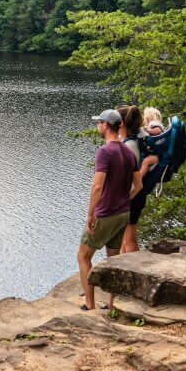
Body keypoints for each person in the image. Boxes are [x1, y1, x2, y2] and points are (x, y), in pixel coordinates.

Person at [77, 108, 137, 311]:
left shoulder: (105, 152)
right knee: (113, 259)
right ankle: (111, 304)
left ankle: (89, 304)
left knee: (83, 256)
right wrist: (123, 200)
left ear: (105, 125)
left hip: (106, 214)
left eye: (99, 123)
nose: (97, 126)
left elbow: (97, 187)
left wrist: (91, 214)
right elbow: (138, 186)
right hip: (123, 213)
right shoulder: (129, 151)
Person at [121, 106, 164, 253]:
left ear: (122, 122)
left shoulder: (133, 143)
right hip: (135, 195)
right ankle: (119, 266)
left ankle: (133, 270)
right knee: (124, 238)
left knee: (129, 238)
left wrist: (145, 164)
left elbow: (135, 179)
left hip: (134, 195)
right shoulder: (138, 137)